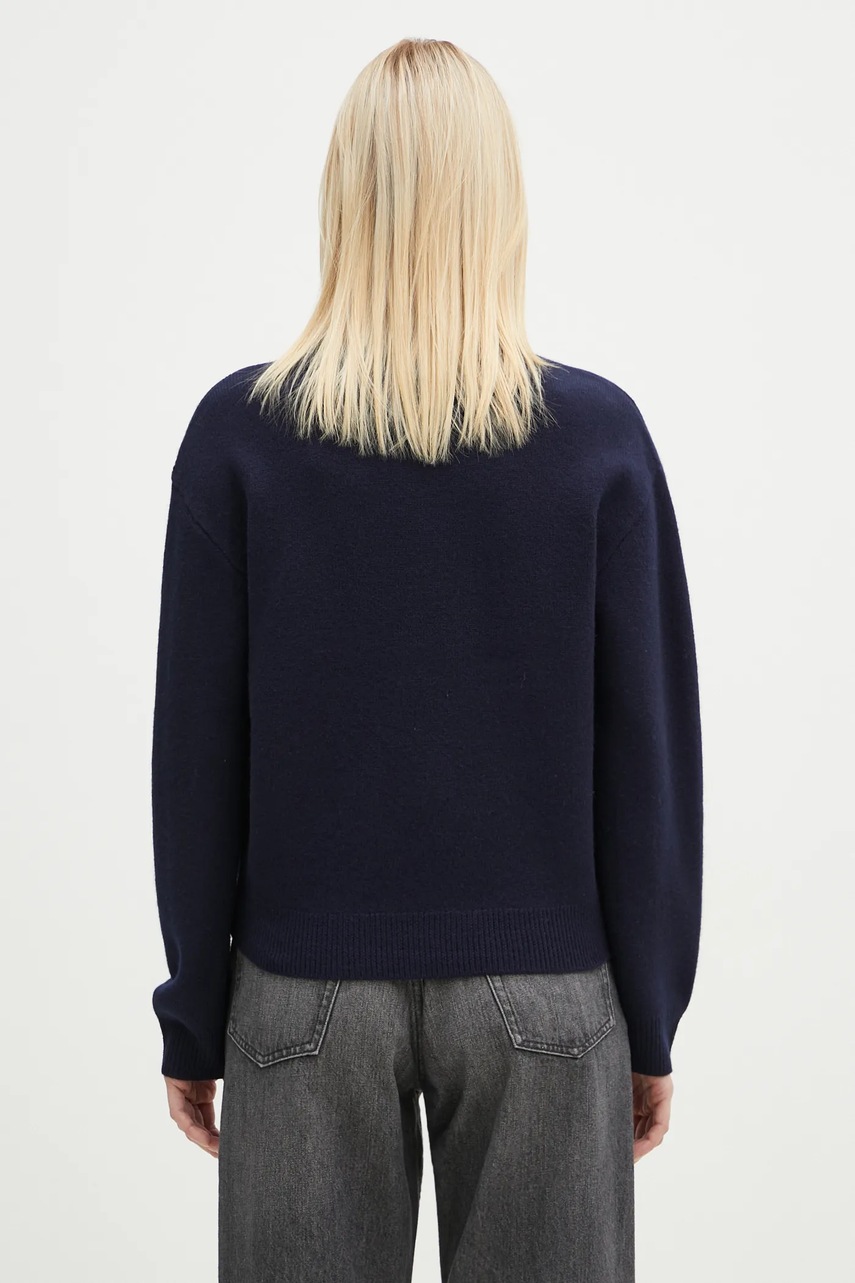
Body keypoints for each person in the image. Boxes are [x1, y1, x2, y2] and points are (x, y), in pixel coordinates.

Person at [150, 36, 703, 1283]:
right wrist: (650, 1012)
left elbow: (196, 751)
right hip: (547, 991)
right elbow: (646, 751)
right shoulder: (597, 439)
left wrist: (196, 1007)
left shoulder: (240, 436)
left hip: (299, 989)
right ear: (500, 204)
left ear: (344, 198)